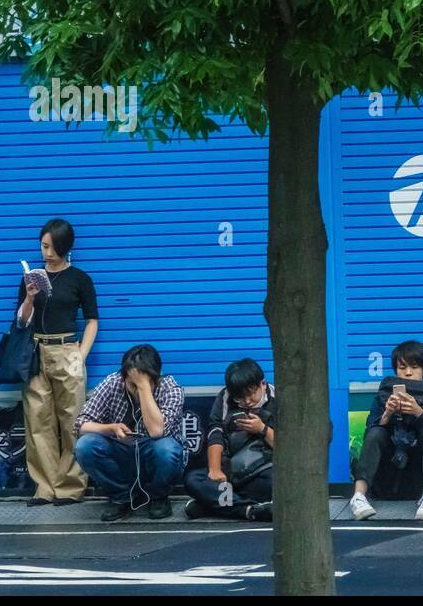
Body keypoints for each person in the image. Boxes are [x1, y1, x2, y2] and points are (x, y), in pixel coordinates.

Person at [16, 219, 99, 506]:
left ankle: (70, 486)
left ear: (65, 247)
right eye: (43, 246)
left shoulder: (80, 279)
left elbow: (92, 320)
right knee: (38, 420)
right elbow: (21, 321)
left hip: (67, 349)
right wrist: (29, 297)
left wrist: (81, 354)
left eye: (51, 247)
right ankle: (45, 487)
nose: (46, 253)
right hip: (36, 349)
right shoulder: (32, 279)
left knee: (72, 419)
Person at [74, 345, 187, 521]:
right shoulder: (113, 382)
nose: (134, 388)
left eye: (143, 382)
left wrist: (143, 388)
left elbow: (157, 431)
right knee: (85, 446)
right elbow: (81, 424)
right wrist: (109, 428)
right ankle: (121, 497)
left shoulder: (170, 388)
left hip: (152, 452)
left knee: (168, 449)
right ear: (123, 376)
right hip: (122, 451)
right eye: (131, 383)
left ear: (156, 377)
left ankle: (158, 497)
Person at [349, 341, 423, 521]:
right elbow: (369, 429)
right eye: (402, 367)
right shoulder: (384, 396)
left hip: (420, 469)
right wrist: (387, 413)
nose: (408, 372)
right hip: (389, 474)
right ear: (395, 371)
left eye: (415, 367)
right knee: (376, 432)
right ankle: (358, 497)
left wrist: (419, 412)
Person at [183, 359, 274, 521]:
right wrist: (215, 469)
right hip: (231, 470)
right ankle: (248, 510)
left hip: (262, 469)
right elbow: (215, 432)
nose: (247, 401)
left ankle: (211, 504)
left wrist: (262, 429)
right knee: (193, 480)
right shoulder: (226, 397)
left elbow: (291, 448)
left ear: (263, 384)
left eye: (251, 393)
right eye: (240, 398)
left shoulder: (278, 398)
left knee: (273, 483)